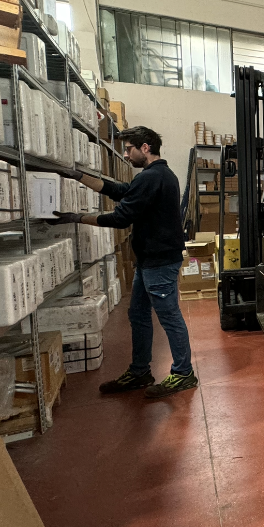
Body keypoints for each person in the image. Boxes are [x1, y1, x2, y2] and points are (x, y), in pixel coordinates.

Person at [50, 126, 198, 399]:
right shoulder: (157, 175)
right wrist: (78, 175)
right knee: (138, 315)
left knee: (169, 317)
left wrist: (77, 218)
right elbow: (121, 191)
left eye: (129, 149)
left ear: (145, 148)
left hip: (158, 262)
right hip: (149, 261)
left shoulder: (153, 177)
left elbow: (121, 218)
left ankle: (184, 373)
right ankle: (140, 371)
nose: (126, 155)